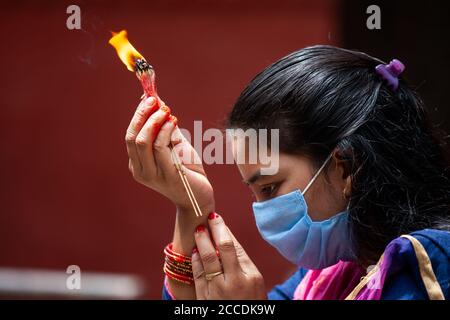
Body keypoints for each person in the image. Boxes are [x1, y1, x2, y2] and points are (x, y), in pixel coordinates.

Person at [125, 45, 450, 300]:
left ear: (346, 168)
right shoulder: (328, 277)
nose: (263, 213)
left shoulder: (422, 267)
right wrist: (190, 204)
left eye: (269, 188)